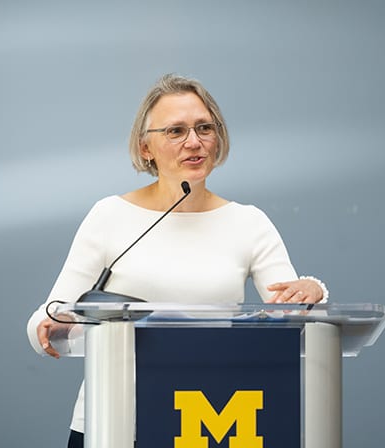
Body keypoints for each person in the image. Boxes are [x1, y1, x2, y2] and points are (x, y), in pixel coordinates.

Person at [26, 73, 328, 447]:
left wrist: (312, 290)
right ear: (146, 147)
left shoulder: (248, 222)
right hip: (113, 424)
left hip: (211, 421)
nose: (194, 142)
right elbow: (46, 318)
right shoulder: (110, 216)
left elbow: (292, 312)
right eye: (175, 131)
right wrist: (54, 325)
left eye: (204, 128)